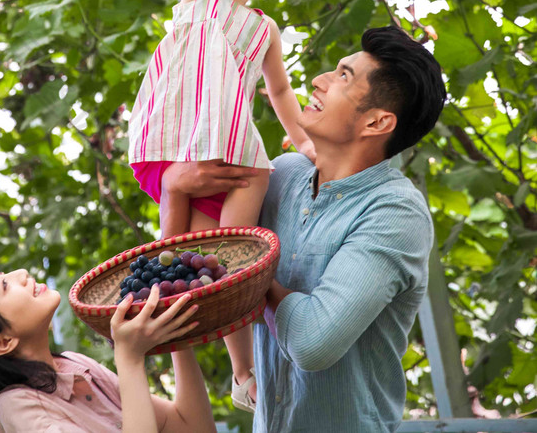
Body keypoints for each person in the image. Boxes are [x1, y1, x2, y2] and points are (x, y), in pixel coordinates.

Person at [161, 25, 447, 433]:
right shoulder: (280, 176)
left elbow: (313, 343)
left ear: (377, 122)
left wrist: (247, 272)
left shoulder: (395, 213)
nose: (319, 80)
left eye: (343, 76)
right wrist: (174, 191)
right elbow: (193, 277)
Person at [128, 0, 314, 411]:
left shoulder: (263, 28)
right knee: (184, 255)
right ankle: (166, 322)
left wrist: (306, 140)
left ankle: (241, 375)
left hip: (231, 144)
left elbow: (280, 91)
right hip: (178, 138)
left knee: (221, 256)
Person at [0, 265, 217, 433]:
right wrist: (129, 357)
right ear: (2, 342)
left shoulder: (74, 367)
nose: (20, 274)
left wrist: (175, 332)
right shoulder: (17, 406)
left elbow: (192, 427)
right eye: (4, 284)